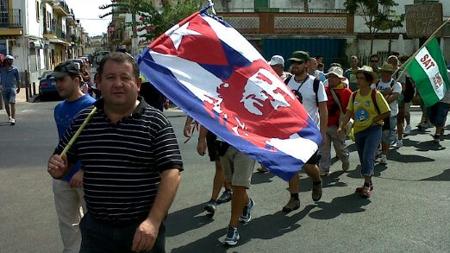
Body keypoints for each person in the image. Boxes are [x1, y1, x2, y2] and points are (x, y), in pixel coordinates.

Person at [47, 52, 183, 253]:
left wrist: (153, 221)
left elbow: (172, 173)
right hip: (96, 232)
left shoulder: (156, 122)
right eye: (110, 78)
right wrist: (56, 167)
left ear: (137, 84)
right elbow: (61, 159)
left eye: (125, 78)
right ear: (98, 82)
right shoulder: (84, 120)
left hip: (141, 230)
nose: (118, 84)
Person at [52, 61, 96, 253]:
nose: (58, 84)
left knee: (94, 224)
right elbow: (63, 142)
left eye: (62, 80)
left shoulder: (93, 107)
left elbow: (100, 144)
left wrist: (85, 169)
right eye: (56, 81)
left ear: (77, 80)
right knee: (68, 225)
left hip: (88, 179)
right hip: (63, 178)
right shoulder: (58, 109)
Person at [283, 50, 327, 212]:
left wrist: (322, 134)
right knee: (292, 166)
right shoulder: (287, 82)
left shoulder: (316, 83)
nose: (294, 65)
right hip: (291, 132)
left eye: (298, 62)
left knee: (309, 166)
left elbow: (323, 110)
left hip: (309, 132)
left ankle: (316, 181)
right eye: (293, 62)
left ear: (307, 64)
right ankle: (294, 198)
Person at [338, 66, 390, 198]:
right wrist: (342, 126)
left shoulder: (375, 94)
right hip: (359, 130)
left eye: (362, 78)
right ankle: (368, 181)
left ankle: (366, 185)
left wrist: (374, 119)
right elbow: (349, 111)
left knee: (368, 156)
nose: (358, 80)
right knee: (363, 158)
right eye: (358, 78)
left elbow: (387, 112)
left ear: (369, 81)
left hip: (373, 129)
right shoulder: (354, 95)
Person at [184, 116, 232, 215]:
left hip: (229, 130)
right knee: (221, 165)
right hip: (212, 131)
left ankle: (213, 200)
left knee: (220, 166)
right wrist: (201, 139)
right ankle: (228, 190)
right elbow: (202, 109)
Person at [320, 66, 352, 175]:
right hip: (324, 124)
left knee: (340, 148)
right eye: (330, 76)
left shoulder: (346, 92)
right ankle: (324, 169)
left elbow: (350, 109)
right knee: (324, 148)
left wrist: (344, 124)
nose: (331, 79)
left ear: (340, 79)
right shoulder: (323, 90)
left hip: (338, 125)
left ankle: (345, 158)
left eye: (334, 77)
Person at [373, 63, 402, 164]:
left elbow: (389, 100)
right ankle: (376, 151)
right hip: (376, 114)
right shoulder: (375, 84)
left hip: (390, 114)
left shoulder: (396, 84)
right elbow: (373, 98)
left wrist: (382, 94)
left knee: (386, 136)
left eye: (388, 72)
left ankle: (384, 155)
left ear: (391, 73)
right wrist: (386, 92)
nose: (385, 74)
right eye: (384, 72)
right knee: (375, 134)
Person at [0, 55, 20, 125]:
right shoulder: (1, 69)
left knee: (12, 103)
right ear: (6, 61)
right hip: (4, 89)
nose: (12, 61)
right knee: (6, 104)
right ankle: (9, 116)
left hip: (12, 88)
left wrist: (19, 87)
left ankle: (13, 119)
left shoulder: (15, 69)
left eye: (12, 60)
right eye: (10, 60)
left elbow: (18, 79)